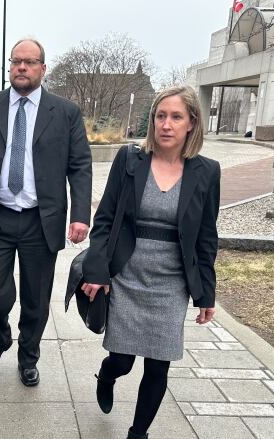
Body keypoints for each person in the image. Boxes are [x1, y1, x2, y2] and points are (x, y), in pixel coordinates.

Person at [81, 86, 220, 439]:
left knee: (159, 366)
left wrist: (206, 293)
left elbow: (205, 237)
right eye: (161, 116)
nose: (166, 124)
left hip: (172, 283)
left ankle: (137, 433)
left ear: (191, 124)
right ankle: (107, 374)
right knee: (123, 360)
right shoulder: (130, 160)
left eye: (176, 117)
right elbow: (105, 220)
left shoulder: (206, 172)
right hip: (127, 275)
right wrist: (97, 271)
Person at [0, 38, 92, 387]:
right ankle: (0, 336)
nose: (21, 67)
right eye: (16, 61)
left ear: (43, 69)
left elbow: (80, 166)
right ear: (10, 66)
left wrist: (80, 214)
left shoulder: (65, 113)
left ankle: (28, 356)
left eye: (29, 62)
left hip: (40, 219)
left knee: (36, 298)